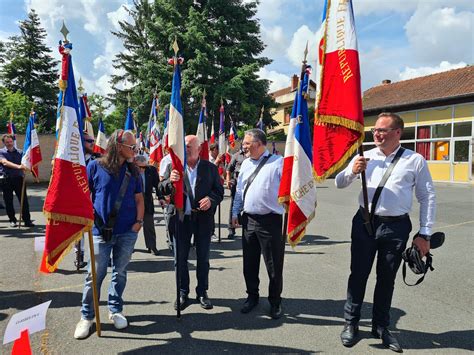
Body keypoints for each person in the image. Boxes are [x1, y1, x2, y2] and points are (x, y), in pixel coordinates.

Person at [335, 112, 436, 352]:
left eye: (382, 130)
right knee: (358, 274)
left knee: (386, 278)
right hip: (365, 223)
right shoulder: (364, 156)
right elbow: (339, 182)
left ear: (397, 133)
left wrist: (425, 233)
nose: (377, 134)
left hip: (396, 227)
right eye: (375, 131)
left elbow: (427, 196)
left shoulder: (415, 160)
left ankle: (381, 326)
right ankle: (351, 322)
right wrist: (352, 171)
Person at [74, 129, 144, 340]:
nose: (135, 150)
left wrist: (138, 223)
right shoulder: (95, 166)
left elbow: (140, 199)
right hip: (98, 231)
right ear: (118, 146)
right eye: (131, 147)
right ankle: (87, 316)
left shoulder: (133, 170)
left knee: (120, 273)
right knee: (93, 276)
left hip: (127, 232)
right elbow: (83, 197)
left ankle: (115, 310)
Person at [159, 135, 224, 311]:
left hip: (202, 220)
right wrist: (169, 182)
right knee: (180, 259)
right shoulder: (174, 166)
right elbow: (160, 188)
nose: (185, 149)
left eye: (188, 146)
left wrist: (211, 199)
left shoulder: (210, 168)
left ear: (199, 148)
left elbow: (219, 191)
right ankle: (182, 292)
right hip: (180, 219)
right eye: (184, 146)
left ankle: (202, 292)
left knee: (203, 258)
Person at [231, 129, 285, 320]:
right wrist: (235, 211)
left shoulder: (278, 163)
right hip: (249, 220)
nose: (243, 146)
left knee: (273, 265)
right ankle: (252, 296)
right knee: (249, 264)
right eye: (244, 143)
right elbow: (239, 190)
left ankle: (275, 301)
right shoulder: (245, 163)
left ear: (260, 143)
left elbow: (290, 190)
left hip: (270, 221)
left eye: (247, 143)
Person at [74, 132, 101, 270]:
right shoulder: (72, 159)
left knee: (99, 229)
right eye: (89, 140)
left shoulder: (98, 158)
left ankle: (102, 257)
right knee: (78, 230)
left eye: (93, 140)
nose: (92, 143)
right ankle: (79, 256)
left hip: (94, 200)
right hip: (77, 199)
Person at [0, 134, 34, 228]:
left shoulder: (20, 152)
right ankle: (12, 220)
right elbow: (5, 162)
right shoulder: (1, 152)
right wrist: (19, 166)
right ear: (4, 143)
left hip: (19, 179)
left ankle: (27, 220)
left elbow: (26, 162)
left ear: (13, 141)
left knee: (23, 200)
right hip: (6, 180)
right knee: (8, 201)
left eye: (11, 142)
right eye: (7, 142)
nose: (9, 143)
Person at [134, 154, 160, 255]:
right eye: (139, 167)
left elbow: (157, 185)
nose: (142, 169)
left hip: (147, 201)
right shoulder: (130, 171)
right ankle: (128, 247)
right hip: (133, 202)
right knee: (131, 226)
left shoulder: (151, 170)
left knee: (149, 225)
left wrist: (161, 197)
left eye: (144, 167)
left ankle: (152, 246)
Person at [225, 146, 246, 239]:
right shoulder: (236, 156)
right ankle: (231, 229)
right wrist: (228, 180)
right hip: (237, 184)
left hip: (249, 185)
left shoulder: (253, 156)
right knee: (234, 206)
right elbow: (229, 169)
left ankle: (247, 228)